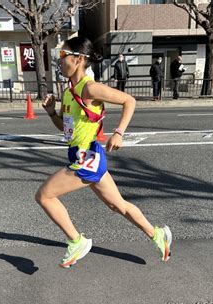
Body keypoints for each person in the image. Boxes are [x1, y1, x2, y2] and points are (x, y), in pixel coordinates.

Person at [39, 36, 172, 268]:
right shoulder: (69, 92)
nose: (59, 61)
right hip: (85, 155)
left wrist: (119, 133)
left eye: (62, 56)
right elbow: (66, 129)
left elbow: (129, 101)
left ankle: (76, 241)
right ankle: (157, 234)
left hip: (86, 158)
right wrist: (52, 113)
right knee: (117, 205)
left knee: (44, 196)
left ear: (79, 59)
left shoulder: (90, 87)